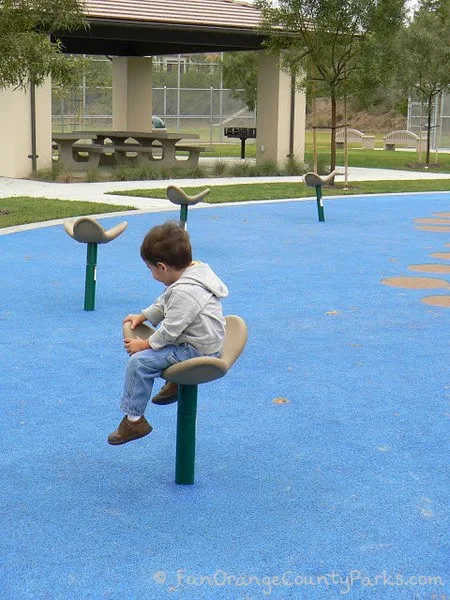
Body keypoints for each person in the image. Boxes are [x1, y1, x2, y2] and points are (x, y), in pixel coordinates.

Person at [108, 221, 228, 445]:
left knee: (139, 363)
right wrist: (144, 316)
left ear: (162, 267)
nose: (151, 274)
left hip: (197, 351)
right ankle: (176, 384)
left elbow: (171, 330)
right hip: (202, 340)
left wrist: (144, 345)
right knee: (156, 354)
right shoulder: (195, 271)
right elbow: (166, 301)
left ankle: (134, 421)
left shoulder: (185, 292)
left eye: (150, 269)